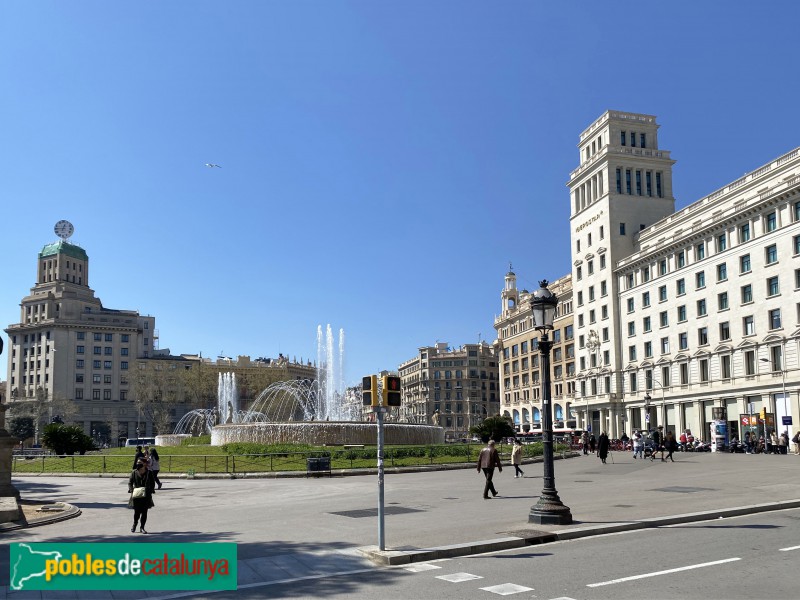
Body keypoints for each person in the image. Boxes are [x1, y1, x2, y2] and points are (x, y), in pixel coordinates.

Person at [128, 459, 155, 533]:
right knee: (136, 512)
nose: (137, 464)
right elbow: (130, 482)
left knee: (144, 512)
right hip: (137, 495)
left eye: (140, 463)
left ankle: (142, 527)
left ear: (144, 464)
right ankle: (134, 524)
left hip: (146, 495)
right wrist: (131, 490)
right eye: (137, 462)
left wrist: (151, 490)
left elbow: (153, 482)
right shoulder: (134, 472)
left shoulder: (149, 472)